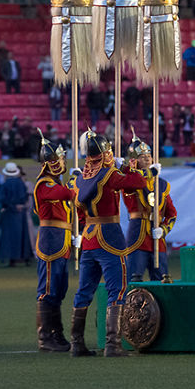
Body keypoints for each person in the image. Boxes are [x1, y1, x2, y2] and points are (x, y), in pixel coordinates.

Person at [70, 130, 149, 357]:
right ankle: (112, 344)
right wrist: (127, 167)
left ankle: (77, 343)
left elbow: (79, 209)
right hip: (109, 236)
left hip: (89, 236)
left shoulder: (81, 177)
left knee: (85, 289)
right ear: (105, 153)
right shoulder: (109, 174)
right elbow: (138, 182)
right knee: (117, 288)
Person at [32, 131, 76, 353]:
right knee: (47, 289)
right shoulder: (44, 184)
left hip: (62, 240)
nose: (62, 162)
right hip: (51, 241)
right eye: (59, 159)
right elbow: (67, 194)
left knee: (59, 290)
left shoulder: (55, 182)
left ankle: (56, 335)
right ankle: (45, 337)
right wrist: (77, 182)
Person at [123, 131, 177, 282]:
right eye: (142, 156)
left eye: (148, 155)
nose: (147, 158)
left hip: (157, 238)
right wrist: (150, 172)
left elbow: (171, 214)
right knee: (134, 279)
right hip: (138, 237)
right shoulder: (129, 179)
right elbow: (133, 179)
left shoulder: (162, 184)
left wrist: (164, 230)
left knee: (162, 280)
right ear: (135, 161)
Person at [0, 163, 31, 266]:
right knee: (23, 235)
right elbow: (25, 196)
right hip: (20, 212)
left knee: (9, 237)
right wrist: (20, 205)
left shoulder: (5, 185)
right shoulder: (20, 183)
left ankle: (12, 259)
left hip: (10, 212)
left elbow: (3, 199)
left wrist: (12, 206)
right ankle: (25, 258)